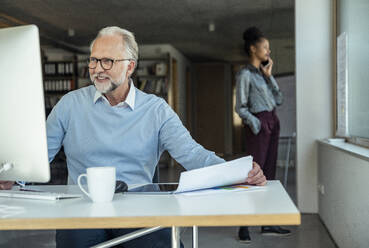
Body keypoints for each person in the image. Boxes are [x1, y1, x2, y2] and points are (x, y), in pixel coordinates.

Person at [0, 26, 266, 248]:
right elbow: (37, 156)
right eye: (93, 60)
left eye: (107, 61)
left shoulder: (156, 110)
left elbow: (192, 154)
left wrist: (238, 171)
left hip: (140, 208)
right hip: (82, 208)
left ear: (130, 67)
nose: (97, 69)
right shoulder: (69, 105)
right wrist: (13, 174)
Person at [235, 26, 291, 243]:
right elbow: (240, 107)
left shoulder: (263, 75)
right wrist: (256, 124)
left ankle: (268, 222)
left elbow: (279, 100)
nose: (268, 51)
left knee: (269, 174)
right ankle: (243, 225)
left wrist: (270, 77)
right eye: (265, 47)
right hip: (258, 125)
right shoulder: (244, 74)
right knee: (253, 174)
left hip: (272, 122)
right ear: (252, 48)